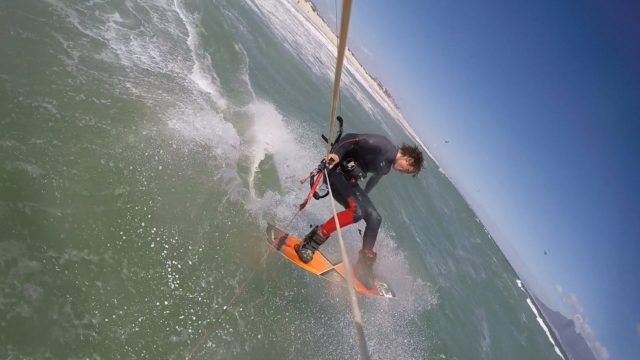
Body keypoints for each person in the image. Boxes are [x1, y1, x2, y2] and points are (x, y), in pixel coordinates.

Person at [295, 133, 424, 288]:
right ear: (408, 159)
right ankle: (309, 244)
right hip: (335, 173)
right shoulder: (384, 146)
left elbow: (374, 179)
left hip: (349, 182)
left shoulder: (386, 166)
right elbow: (352, 138)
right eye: (407, 169)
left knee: (375, 218)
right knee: (357, 212)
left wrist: (364, 196)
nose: (403, 172)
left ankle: (363, 268)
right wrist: (336, 154)